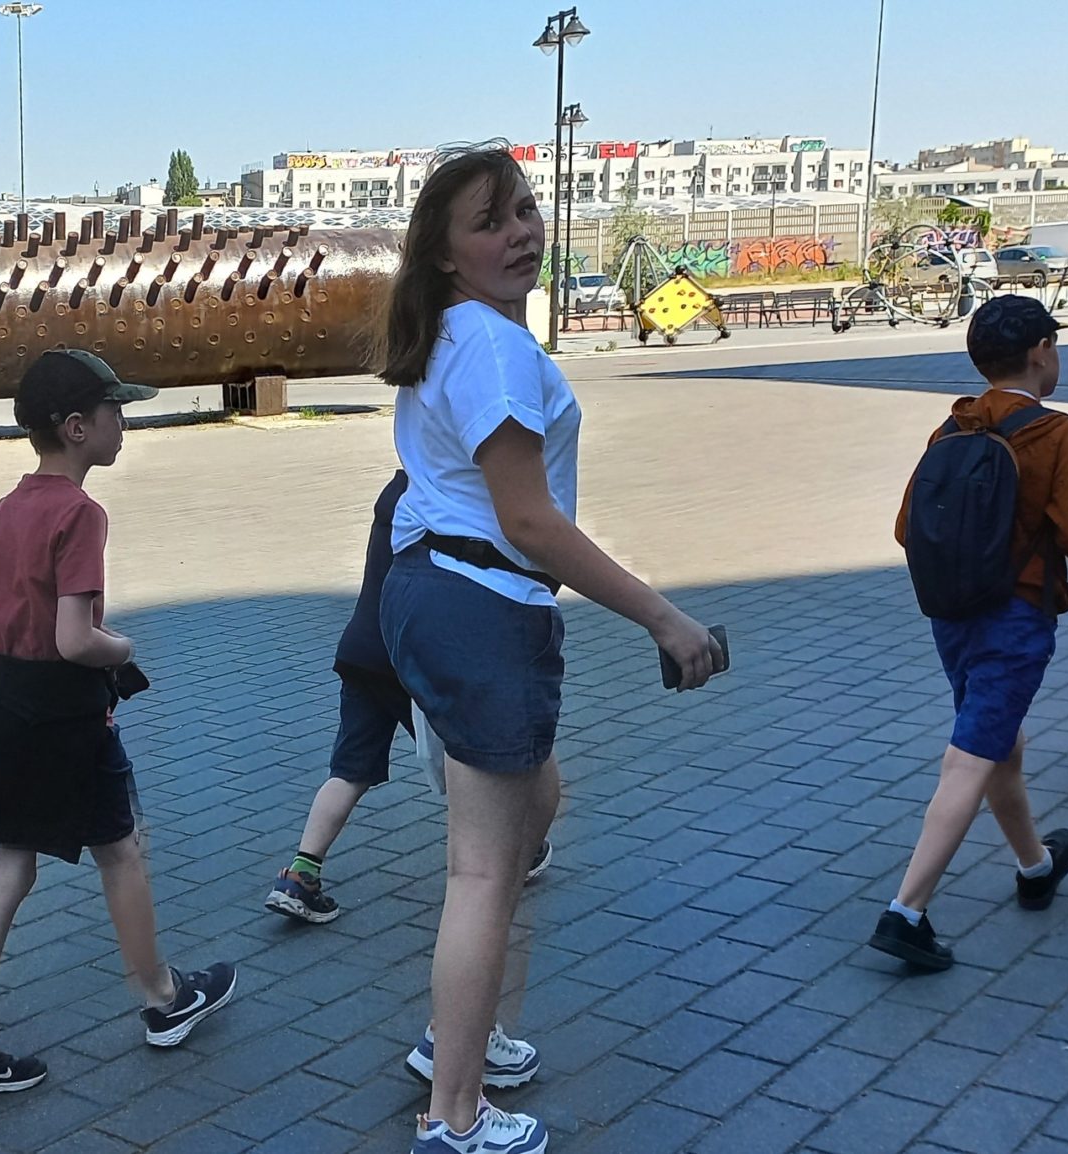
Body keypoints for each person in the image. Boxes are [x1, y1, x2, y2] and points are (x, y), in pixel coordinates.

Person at [378, 144, 721, 1154]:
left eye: (524, 209)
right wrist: (664, 617)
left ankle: (457, 1033)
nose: (522, 232)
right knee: (484, 873)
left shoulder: (452, 331)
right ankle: (453, 1108)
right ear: (446, 253)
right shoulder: (491, 347)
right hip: (482, 605)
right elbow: (529, 520)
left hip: (437, 592)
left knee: (535, 803)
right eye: (491, 222)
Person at [0, 348, 238, 1108]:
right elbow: (74, 639)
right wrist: (122, 648)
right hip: (67, 719)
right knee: (120, 850)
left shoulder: (7, 508)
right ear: (76, 427)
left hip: (1, 707)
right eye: (114, 411)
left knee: (8, 870)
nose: (124, 423)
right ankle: (163, 999)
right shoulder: (81, 514)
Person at [872, 296, 1068, 973]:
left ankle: (1035, 867)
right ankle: (906, 912)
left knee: (998, 739)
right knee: (971, 755)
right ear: (1041, 352)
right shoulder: (1060, 436)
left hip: (951, 612)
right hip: (1016, 615)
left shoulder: (954, 426)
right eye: (1055, 346)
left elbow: (906, 528)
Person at [264, 470, 554, 928]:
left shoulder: (399, 498)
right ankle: (510, 852)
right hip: (410, 658)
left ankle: (300, 874)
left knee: (349, 772)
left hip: (360, 654)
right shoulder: (444, 509)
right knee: (476, 763)